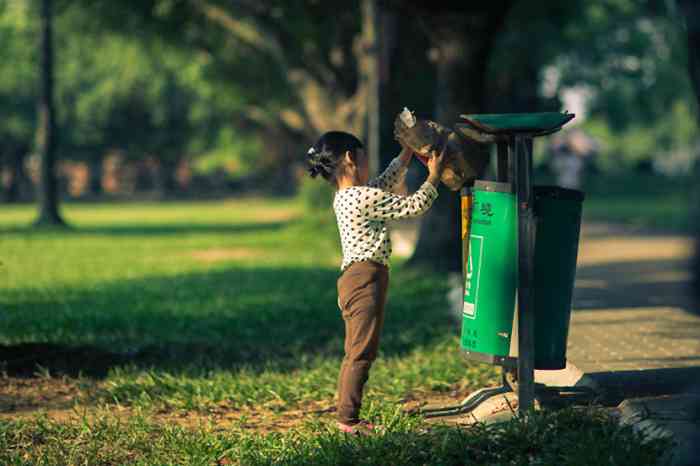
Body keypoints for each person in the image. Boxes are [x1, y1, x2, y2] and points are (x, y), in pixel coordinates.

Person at [305, 130, 446, 435]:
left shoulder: (348, 196)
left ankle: (348, 416)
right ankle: (348, 420)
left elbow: (385, 182)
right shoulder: (361, 197)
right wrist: (433, 176)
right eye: (365, 157)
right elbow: (414, 206)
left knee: (357, 349)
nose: (370, 164)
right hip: (365, 278)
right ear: (350, 158)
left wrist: (406, 153)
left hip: (358, 279)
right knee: (360, 353)